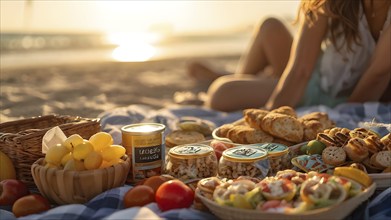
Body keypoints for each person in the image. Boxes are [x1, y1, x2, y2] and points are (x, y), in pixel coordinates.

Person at [188, 0, 391, 112]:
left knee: (221, 93)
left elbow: (377, 76)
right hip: (316, 74)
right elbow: (300, 70)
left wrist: (337, 124)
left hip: (345, 96)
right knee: (270, 27)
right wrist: (267, 117)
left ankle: (250, 82)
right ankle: (246, 79)